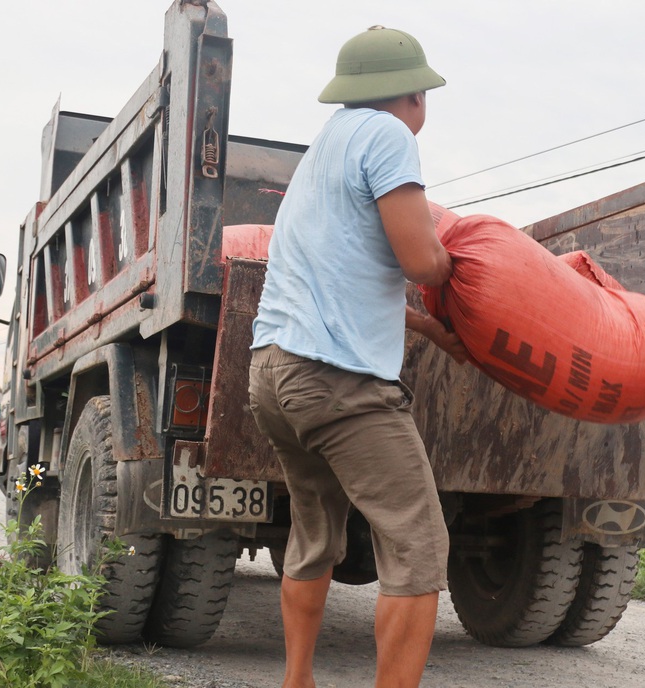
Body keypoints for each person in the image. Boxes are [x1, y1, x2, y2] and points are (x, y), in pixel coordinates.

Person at [247, 25, 466, 688]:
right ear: (411, 96)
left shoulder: (325, 151)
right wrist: (471, 265)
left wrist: (424, 330)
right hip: (337, 381)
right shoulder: (388, 135)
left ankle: (298, 680)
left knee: (314, 535)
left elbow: (343, 277)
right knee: (418, 545)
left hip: (274, 374)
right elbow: (421, 258)